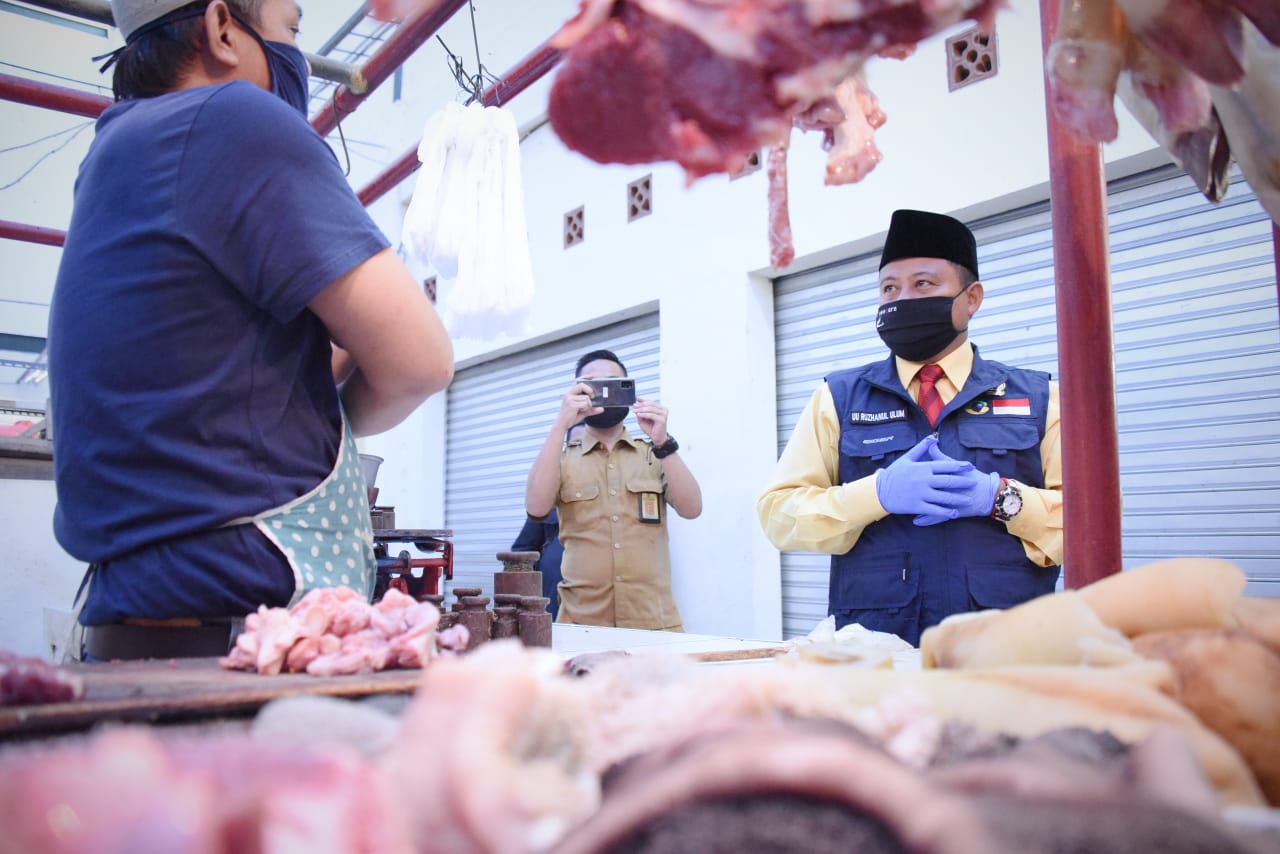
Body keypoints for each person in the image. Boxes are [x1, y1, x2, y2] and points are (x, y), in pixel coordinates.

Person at [48, 0, 454, 660]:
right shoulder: (233, 116)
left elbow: (221, 390)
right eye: (292, 29)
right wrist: (342, 420)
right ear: (221, 28)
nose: (298, 54)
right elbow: (422, 361)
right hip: (242, 642)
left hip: (133, 633)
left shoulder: (114, 152)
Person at [756, 209, 1063, 646]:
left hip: (1008, 654)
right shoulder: (840, 398)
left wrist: (999, 499)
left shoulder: (1039, 397)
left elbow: (1092, 522)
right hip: (877, 657)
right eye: (889, 288)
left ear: (971, 298)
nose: (903, 299)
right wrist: (876, 493)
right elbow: (778, 517)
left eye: (924, 284)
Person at [524, 350, 702, 630]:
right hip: (581, 626)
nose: (603, 392)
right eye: (592, 385)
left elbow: (692, 509)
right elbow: (536, 508)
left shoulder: (654, 453)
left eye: (613, 383)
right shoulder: (562, 459)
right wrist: (561, 423)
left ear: (628, 391)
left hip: (655, 625)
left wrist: (663, 440)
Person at [511, 421, 587, 616]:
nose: (583, 450)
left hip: (597, 610)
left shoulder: (615, 493)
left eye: (589, 444)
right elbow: (521, 553)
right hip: (552, 611)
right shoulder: (550, 496)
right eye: (576, 444)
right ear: (565, 452)